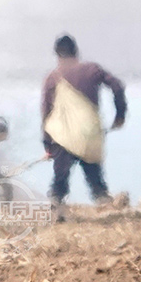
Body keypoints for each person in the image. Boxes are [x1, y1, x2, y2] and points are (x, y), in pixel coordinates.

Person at [41, 34, 127, 205]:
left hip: (62, 137)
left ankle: (56, 209)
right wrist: (119, 115)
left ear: (57, 55)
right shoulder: (92, 69)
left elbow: (46, 111)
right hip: (89, 134)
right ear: (76, 51)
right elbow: (117, 86)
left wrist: (47, 143)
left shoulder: (53, 77)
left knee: (59, 182)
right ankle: (104, 205)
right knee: (96, 180)